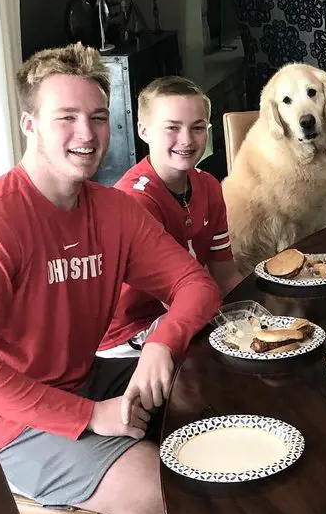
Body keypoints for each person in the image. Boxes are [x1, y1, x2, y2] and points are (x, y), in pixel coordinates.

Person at [0, 44, 223, 514]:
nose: (86, 135)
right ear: (29, 124)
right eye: (66, 117)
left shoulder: (114, 211)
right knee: (158, 493)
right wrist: (91, 416)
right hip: (0, 424)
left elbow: (197, 285)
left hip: (80, 379)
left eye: (98, 117)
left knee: (218, 388)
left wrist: (161, 342)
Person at [99, 76, 240, 356]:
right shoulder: (136, 200)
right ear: (144, 130)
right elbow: (177, 301)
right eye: (172, 128)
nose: (186, 140)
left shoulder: (209, 185)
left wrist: (263, 315)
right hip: (130, 334)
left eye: (197, 128)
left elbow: (226, 275)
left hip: (187, 311)